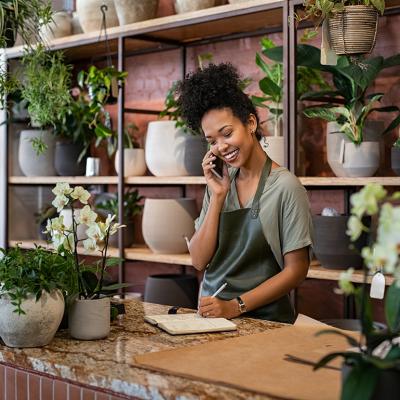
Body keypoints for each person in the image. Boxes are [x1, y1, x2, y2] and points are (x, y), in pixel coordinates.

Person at [176, 63, 313, 323]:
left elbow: (297, 270)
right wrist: (217, 196)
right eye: (212, 141)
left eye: (227, 133)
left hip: (265, 320)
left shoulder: (285, 187)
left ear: (250, 122)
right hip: (212, 317)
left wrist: (235, 306)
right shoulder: (218, 184)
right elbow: (198, 260)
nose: (221, 147)